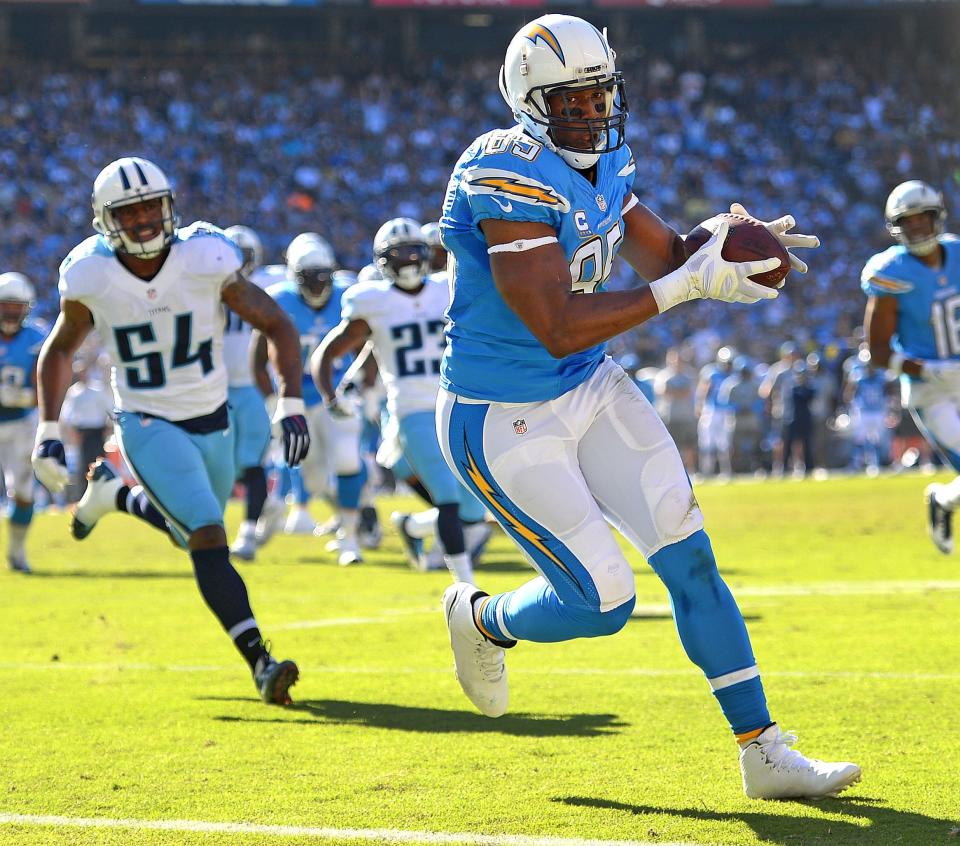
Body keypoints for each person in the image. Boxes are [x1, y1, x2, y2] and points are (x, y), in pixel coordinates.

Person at [435, 14, 858, 800]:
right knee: (603, 602)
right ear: (528, 104)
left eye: (599, 97)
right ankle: (481, 618)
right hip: (502, 412)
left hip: (589, 385)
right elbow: (556, 323)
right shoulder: (503, 172)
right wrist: (680, 286)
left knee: (689, 554)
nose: (591, 116)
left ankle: (762, 750)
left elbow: (662, 253)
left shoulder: (604, 160)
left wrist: (726, 245)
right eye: (570, 103)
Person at [31, 157, 309, 705]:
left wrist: (292, 400)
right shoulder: (90, 272)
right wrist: (47, 426)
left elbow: (276, 322)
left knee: (192, 535)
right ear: (105, 221)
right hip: (146, 419)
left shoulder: (205, 256)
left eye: (150, 207)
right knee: (209, 535)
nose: (142, 221)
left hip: (215, 416)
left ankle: (116, 497)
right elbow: (62, 348)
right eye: (128, 212)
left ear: (169, 206)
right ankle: (260, 662)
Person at [312, 217, 486, 583]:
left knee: (475, 504)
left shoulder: (446, 288)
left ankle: (414, 527)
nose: (407, 260)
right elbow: (326, 354)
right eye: (398, 254)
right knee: (447, 493)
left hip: (457, 404)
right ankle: (466, 585)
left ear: (426, 254)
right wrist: (330, 395)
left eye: (413, 251)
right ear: (382, 261)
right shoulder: (374, 302)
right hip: (412, 411)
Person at [253, 234, 366, 565]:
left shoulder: (349, 295)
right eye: (309, 277)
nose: (318, 285)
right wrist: (274, 402)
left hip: (336, 393)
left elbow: (367, 345)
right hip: (298, 397)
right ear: (293, 276)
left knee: (348, 459)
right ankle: (359, 505)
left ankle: (351, 537)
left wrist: (362, 384)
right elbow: (256, 360)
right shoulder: (279, 300)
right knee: (313, 477)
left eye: (323, 276)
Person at [861, 179, 960, 552]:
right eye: (909, 221)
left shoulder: (958, 253)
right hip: (930, 389)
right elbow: (878, 353)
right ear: (895, 227)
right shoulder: (891, 271)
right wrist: (929, 369)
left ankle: (943, 500)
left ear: (938, 217)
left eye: (924, 218)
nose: (917, 227)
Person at [221, 224, 285, 561]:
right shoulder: (210, 286)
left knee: (252, 460)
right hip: (216, 388)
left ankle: (247, 531)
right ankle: (267, 506)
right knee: (226, 464)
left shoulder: (270, 284)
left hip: (254, 388)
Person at [0, 272, 46, 573]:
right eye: (7, 305)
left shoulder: (37, 337)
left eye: (18, 306)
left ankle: (16, 552)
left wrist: (24, 397)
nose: (12, 312)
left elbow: (47, 386)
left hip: (22, 423)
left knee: (25, 493)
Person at [60, 361, 114, 499]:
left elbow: (110, 409)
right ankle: (85, 495)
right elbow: (67, 416)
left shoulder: (97, 389)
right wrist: (72, 433)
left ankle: (104, 493)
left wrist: (108, 427)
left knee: (100, 462)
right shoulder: (74, 392)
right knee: (84, 465)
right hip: (83, 433)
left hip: (97, 432)